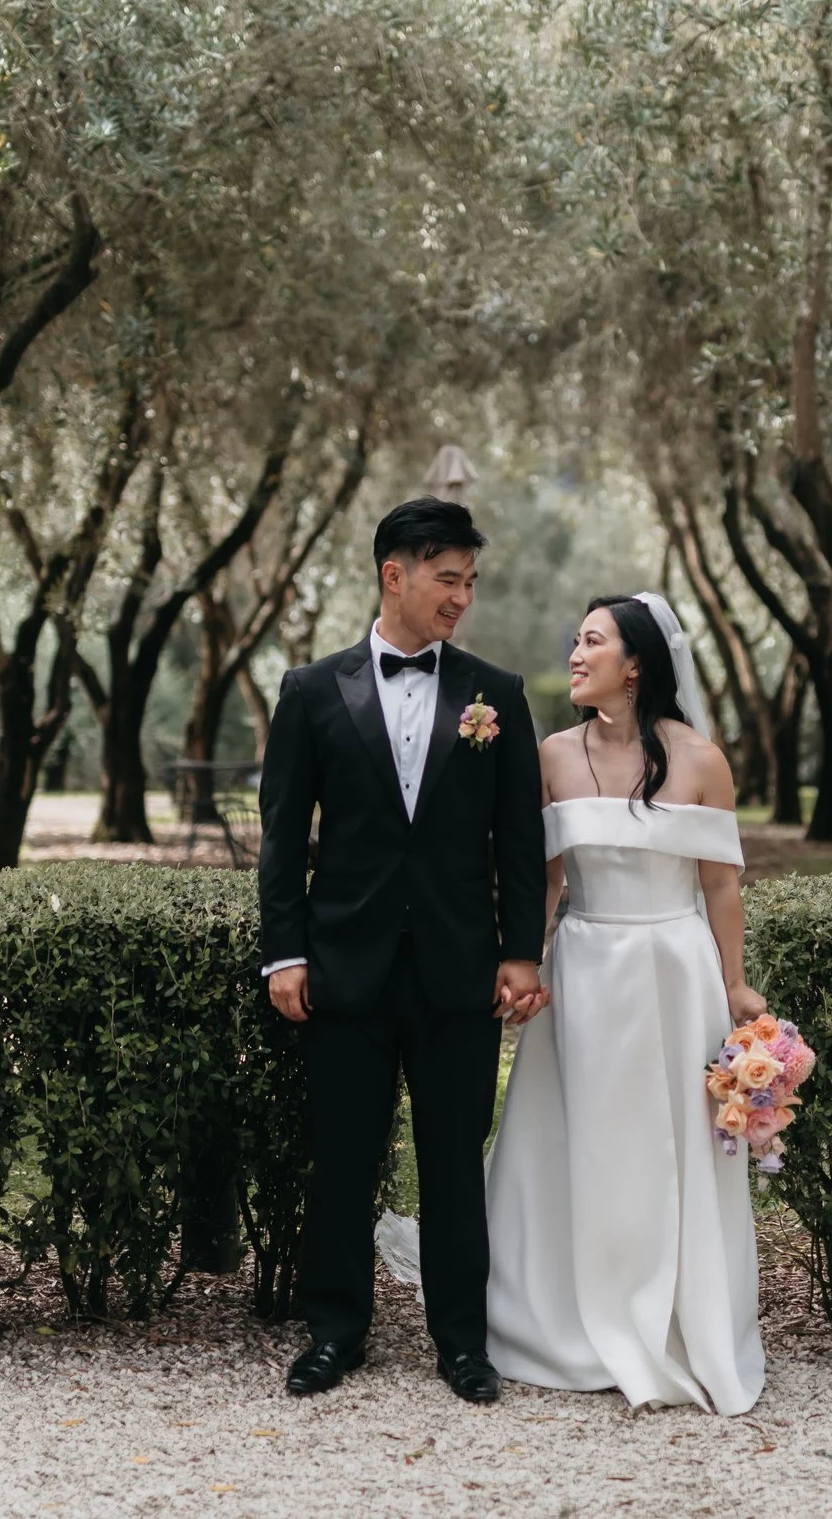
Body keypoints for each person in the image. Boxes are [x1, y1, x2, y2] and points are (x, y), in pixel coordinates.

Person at [257, 497, 547, 1405]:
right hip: (344, 965)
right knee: (343, 1156)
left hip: (460, 969)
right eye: (447, 578)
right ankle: (335, 1331)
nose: (461, 597)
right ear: (396, 574)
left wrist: (521, 950)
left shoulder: (496, 693)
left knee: (456, 1161)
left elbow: (520, 839)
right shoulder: (310, 690)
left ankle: (463, 1340)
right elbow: (279, 836)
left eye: (469, 581)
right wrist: (284, 953)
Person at [482, 592, 768, 1415]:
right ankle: (563, 1314)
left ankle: (680, 1314)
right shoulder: (552, 754)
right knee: (577, 1134)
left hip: (676, 971)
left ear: (636, 663)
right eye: (575, 640)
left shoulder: (702, 760)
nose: (574, 654)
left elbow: (721, 883)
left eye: (592, 641)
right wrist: (526, 963)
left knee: (669, 1140)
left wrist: (735, 982)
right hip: (584, 968)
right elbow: (549, 876)